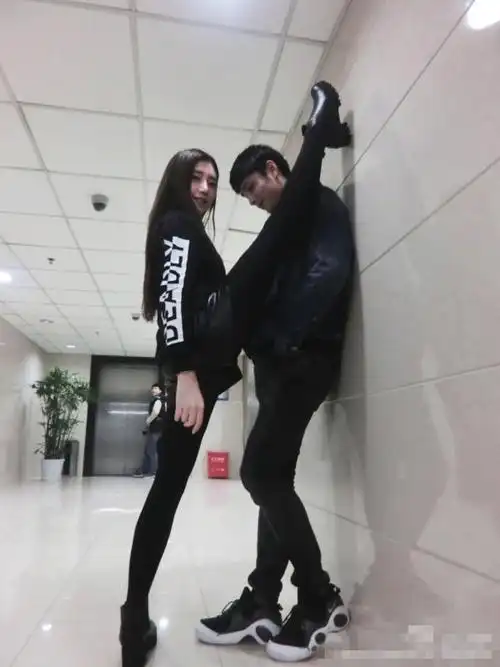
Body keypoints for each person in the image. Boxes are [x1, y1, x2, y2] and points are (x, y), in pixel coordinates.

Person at [119, 81, 350, 667]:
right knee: (274, 237)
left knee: (168, 494)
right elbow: (171, 301)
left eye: (212, 181)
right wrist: (184, 375)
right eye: (195, 178)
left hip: (205, 364)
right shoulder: (176, 225)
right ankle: (321, 129)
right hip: (197, 366)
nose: (205, 189)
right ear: (175, 183)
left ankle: (137, 618)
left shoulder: (184, 229)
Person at [195, 113, 355, 661]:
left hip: (303, 361)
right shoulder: (291, 222)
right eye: (243, 194)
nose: (251, 199)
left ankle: (316, 596)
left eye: (251, 187)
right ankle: (263, 600)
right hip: (287, 365)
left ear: (273, 169)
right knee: (272, 479)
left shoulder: (319, 205)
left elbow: (329, 272)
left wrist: (281, 339)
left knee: (259, 474)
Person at [133, 384, 165, 478]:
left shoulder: (158, 400)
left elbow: (155, 412)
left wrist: (148, 420)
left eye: (156, 388)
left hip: (156, 429)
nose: (153, 390)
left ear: (160, 390)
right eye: (152, 388)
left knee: (152, 450)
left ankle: (154, 471)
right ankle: (146, 470)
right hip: (156, 428)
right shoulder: (158, 400)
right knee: (150, 450)